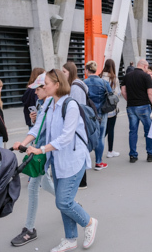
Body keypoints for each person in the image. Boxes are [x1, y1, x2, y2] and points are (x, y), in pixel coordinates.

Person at [25, 69, 98, 252]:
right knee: (64, 200)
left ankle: (89, 222)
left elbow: (66, 138)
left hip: (73, 160)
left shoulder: (71, 105)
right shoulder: (49, 103)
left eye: (46, 84)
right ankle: (71, 239)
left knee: (63, 202)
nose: (43, 87)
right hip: (57, 161)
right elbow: (38, 128)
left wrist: (40, 149)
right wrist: (22, 142)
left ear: (57, 85)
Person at [11, 73, 56, 246]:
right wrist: (23, 144)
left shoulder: (55, 104)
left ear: (48, 87)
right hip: (41, 150)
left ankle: (29, 229)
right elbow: (38, 127)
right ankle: (70, 204)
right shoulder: (44, 103)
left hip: (45, 151)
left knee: (33, 187)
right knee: (45, 184)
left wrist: (26, 145)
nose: (35, 92)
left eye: (38, 88)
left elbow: (42, 130)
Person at [121, 59, 152, 163]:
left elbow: (123, 91)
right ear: (144, 66)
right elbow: (151, 92)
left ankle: (133, 155)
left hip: (131, 106)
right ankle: (151, 154)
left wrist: (129, 100)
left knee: (133, 131)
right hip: (143, 106)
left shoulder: (127, 76)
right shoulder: (145, 76)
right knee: (148, 130)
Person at [63, 61, 89, 189]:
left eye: (64, 72)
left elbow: (76, 106)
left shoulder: (75, 86)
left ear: (70, 72)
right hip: (79, 122)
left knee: (79, 150)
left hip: (78, 123)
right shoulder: (76, 84)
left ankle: (82, 180)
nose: (62, 74)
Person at [84, 61, 113, 170]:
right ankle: (98, 162)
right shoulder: (104, 82)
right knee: (100, 137)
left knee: (87, 136)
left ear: (87, 70)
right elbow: (110, 95)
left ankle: (85, 161)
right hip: (102, 112)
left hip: (88, 113)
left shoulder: (84, 82)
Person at [100, 59, 121, 158]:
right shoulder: (114, 79)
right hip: (111, 108)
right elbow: (117, 94)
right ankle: (110, 151)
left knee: (102, 129)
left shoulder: (99, 77)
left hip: (100, 107)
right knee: (110, 129)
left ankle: (97, 145)